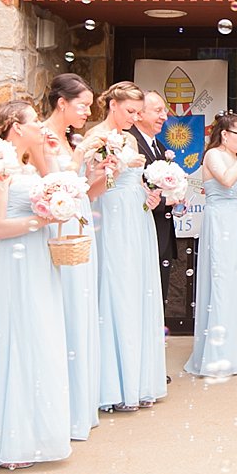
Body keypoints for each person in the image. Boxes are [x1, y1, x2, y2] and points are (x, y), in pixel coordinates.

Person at [0, 100, 72, 470]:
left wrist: (47, 153)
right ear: (15, 126)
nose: (42, 125)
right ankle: (7, 437)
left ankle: (32, 431)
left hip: (33, 258)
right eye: (35, 121)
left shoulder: (24, 161)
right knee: (12, 335)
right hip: (9, 260)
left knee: (37, 334)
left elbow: (52, 186)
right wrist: (43, 220)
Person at [82, 82, 167, 412]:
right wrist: (114, 171)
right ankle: (114, 384)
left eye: (138, 112)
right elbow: (90, 189)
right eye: (130, 111)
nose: (135, 117)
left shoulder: (130, 139)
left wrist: (151, 193)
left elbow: (136, 179)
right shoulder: (95, 138)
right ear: (112, 105)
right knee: (116, 288)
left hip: (137, 215)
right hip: (111, 218)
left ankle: (140, 379)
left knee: (139, 289)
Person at [186, 112, 237, 378]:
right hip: (221, 224)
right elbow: (226, 181)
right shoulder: (214, 156)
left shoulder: (236, 159)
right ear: (225, 135)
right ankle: (218, 357)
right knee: (222, 282)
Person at [42, 74, 102, 440]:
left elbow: (85, 193)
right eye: (82, 105)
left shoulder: (68, 139)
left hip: (79, 224)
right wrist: (81, 156)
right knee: (64, 305)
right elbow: (51, 185)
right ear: (61, 103)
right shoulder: (44, 137)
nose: (88, 111)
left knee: (81, 305)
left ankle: (81, 400)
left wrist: (99, 174)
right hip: (60, 229)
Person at [130, 90, 176, 306]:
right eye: (158, 111)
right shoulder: (131, 145)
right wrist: (167, 201)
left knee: (158, 297)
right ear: (139, 114)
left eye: (164, 111)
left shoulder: (160, 146)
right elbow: (134, 191)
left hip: (161, 232)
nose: (164, 117)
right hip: (142, 231)